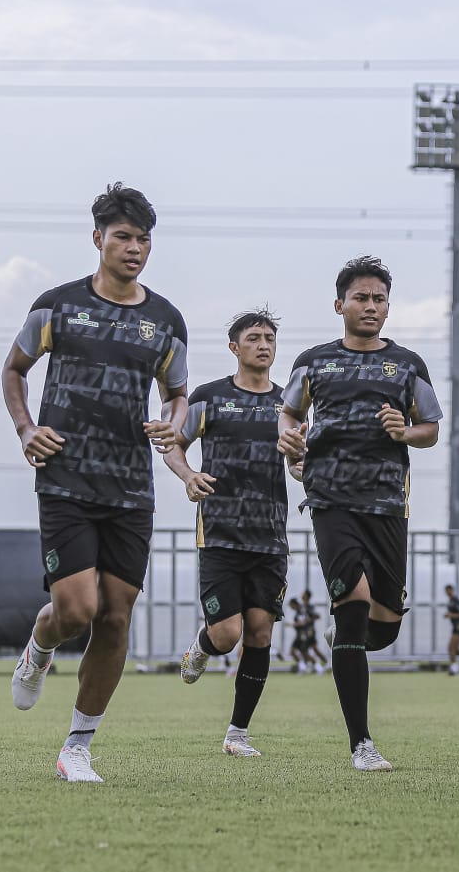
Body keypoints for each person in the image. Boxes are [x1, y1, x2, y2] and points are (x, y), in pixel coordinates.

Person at [1, 183, 188, 783]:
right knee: (78, 610)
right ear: (98, 238)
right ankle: (41, 644)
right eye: (123, 237)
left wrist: (173, 424)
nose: (134, 248)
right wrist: (27, 429)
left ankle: (77, 747)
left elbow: (177, 394)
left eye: (143, 240)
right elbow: (13, 370)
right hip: (66, 478)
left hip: (130, 487)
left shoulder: (166, 321)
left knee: (115, 617)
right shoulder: (57, 306)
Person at [278, 255, 442, 772]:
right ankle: (361, 745)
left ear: (388, 307)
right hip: (330, 499)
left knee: (384, 624)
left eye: (379, 299)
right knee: (353, 602)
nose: (371, 306)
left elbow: (431, 429)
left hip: (388, 503)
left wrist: (404, 432)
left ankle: (346, 641)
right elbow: (289, 413)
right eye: (361, 298)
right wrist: (290, 441)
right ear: (339, 305)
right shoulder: (313, 361)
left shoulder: (408, 365)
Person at [167, 308, 288, 757]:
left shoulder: (288, 404)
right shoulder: (210, 397)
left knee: (260, 633)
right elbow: (174, 444)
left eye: (269, 338)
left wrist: (301, 464)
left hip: (270, 538)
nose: (263, 344)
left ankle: (237, 734)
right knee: (226, 635)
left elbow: (300, 459)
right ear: (234, 348)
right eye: (254, 338)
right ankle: (201, 646)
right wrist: (187, 475)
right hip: (219, 534)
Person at [299, 588, 328, 673]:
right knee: (305, 649)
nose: (301, 595)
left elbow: (317, 616)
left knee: (312, 648)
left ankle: (325, 663)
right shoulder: (301, 607)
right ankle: (313, 665)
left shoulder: (309, 607)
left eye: (303, 594)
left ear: (307, 596)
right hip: (304, 632)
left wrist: (308, 620)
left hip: (310, 631)